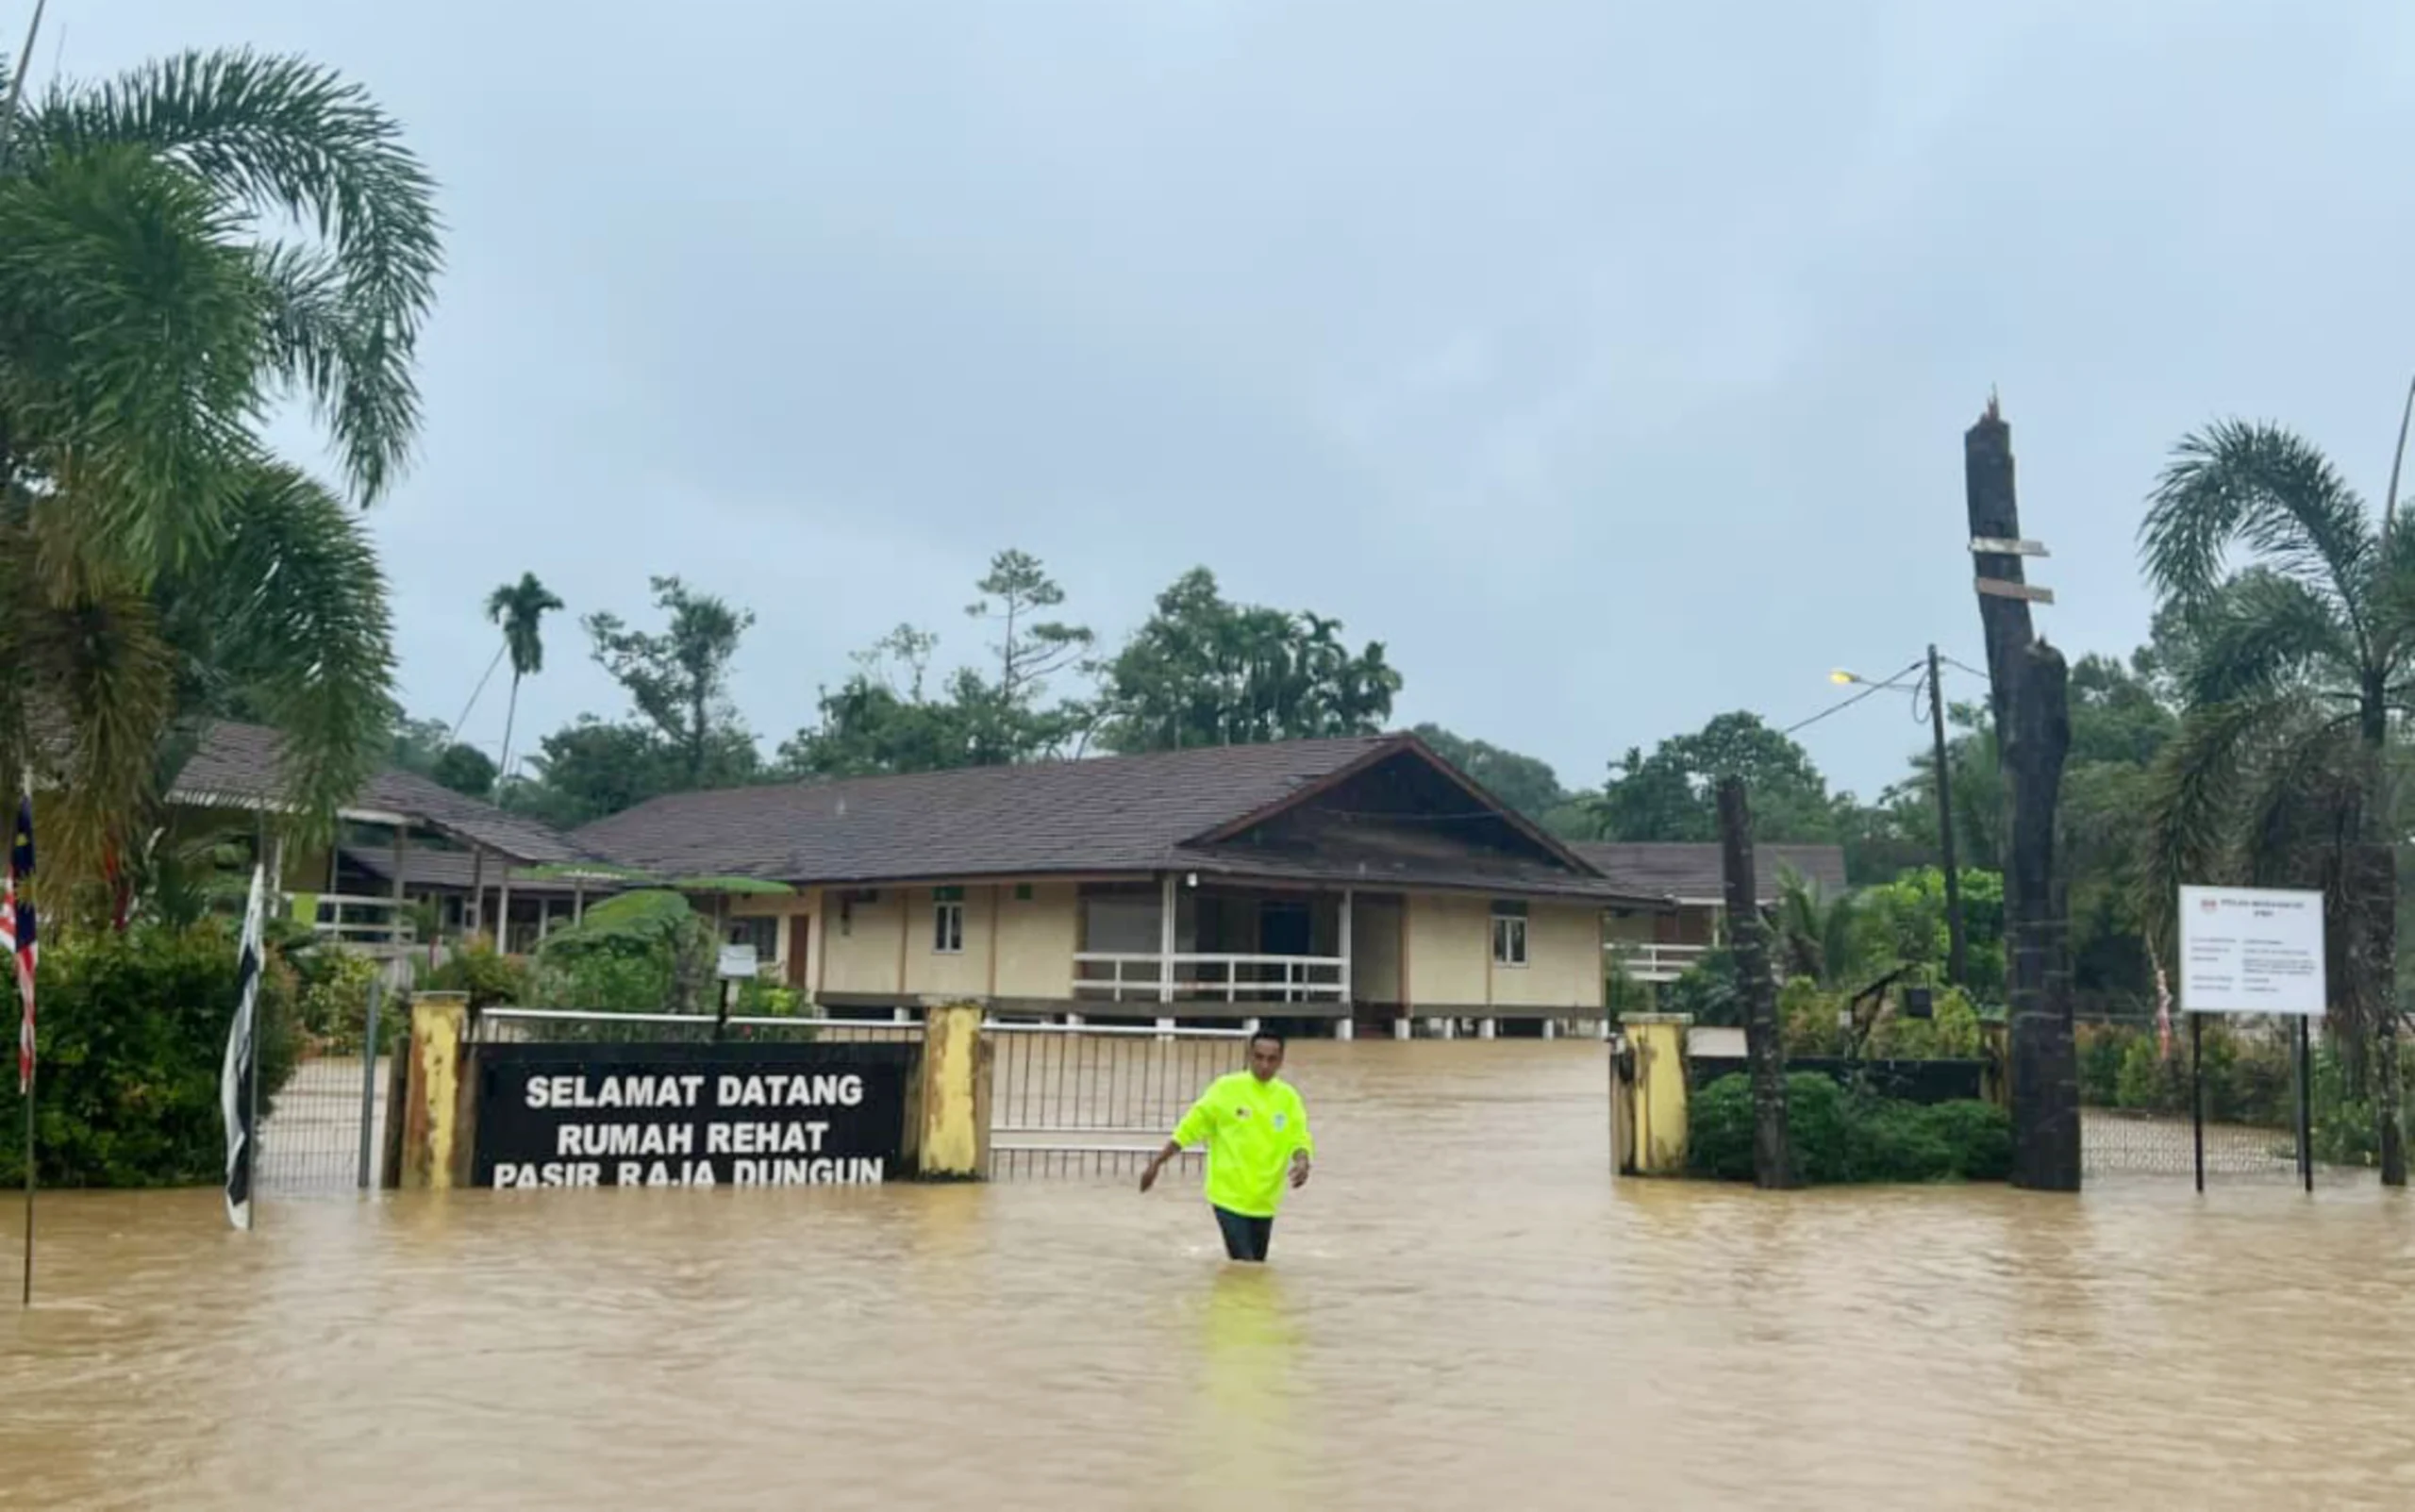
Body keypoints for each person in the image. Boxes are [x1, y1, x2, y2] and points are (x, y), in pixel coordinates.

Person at [1140, 1030, 1313, 1262]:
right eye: (1258, 1057)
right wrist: (1158, 1162)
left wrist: (1302, 1162)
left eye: (1271, 1059)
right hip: (1227, 1196)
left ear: (1281, 1061)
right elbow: (1190, 1127)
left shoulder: (1288, 1098)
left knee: (1255, 1268)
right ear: (1249, 1056)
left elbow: (1299, 1137)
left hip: (1265, 1199)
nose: (1264, 1065)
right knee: (1245, 1264)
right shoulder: (1226, 1089)